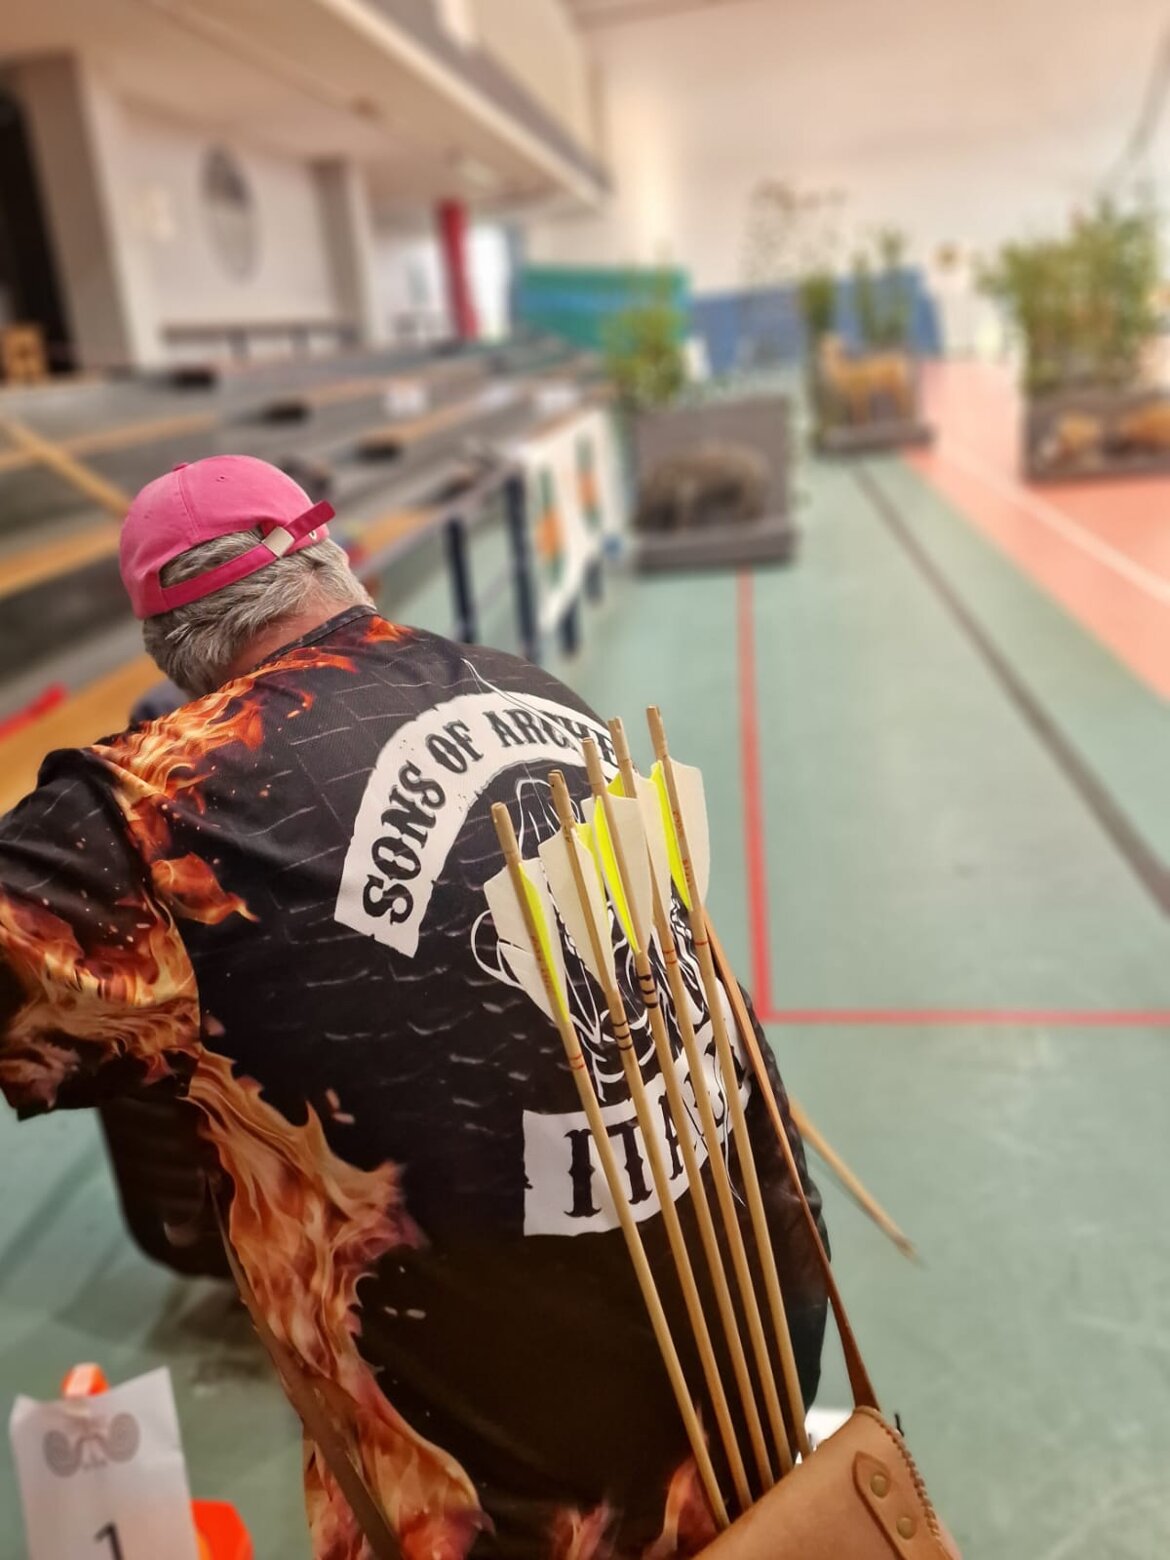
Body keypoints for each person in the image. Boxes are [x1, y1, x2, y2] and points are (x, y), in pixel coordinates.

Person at [0, 456, 827, 1560]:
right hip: (762, 1378)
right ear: (332, 562)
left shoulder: (158, 809)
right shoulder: (535, 691)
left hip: (521, 1513)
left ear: (166, 649)